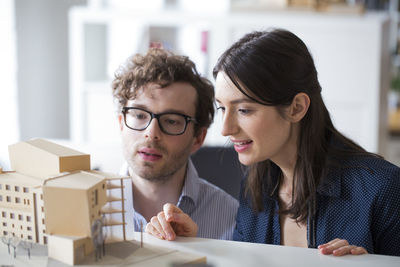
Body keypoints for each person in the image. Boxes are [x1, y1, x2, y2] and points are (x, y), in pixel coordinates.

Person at [145, 29, 400, 257]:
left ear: (297, 107)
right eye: (222, 108)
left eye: (244, 110)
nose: (225, 129)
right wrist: (196, 250)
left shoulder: (383, 189)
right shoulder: (254, 187)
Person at [111, 48, 238, 240]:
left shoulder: (232, 219)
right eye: (138, 115)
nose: (151, 134)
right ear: (121, 123)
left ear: (198, 138)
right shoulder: (84, 209)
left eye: (171, 120)